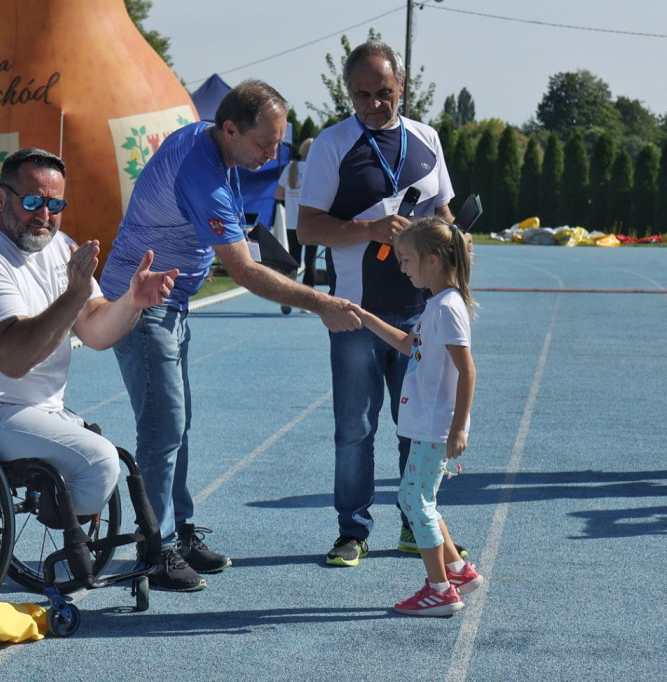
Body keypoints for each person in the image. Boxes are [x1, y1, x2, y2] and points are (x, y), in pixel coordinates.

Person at [99, 79, 361, 592]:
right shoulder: (205, 172)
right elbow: (241, 269)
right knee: (163, 425)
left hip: (166, 301)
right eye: (265, 143)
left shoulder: (212, 145)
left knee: (178, 422)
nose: (272, 154)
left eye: (279, 144)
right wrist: (321, 303)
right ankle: (157, 549)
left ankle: (179, 529)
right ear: (231, 129)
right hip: (140, 302)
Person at [0, 147, 177, 531]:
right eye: (32, 202)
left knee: (111, 458)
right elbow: (14, 358)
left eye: (55, 204)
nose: (45, 216)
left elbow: (94, 328)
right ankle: (66, 541)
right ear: (0, 198)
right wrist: (74, 295)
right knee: (99, 461)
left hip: (32, 409)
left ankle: (102, 542)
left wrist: (132, 301)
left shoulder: (58, 247)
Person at [296, 40, 463, 567]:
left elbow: (447, 214)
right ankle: (353, 531)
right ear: (349, 93)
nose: (374, 104)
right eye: (363, 95)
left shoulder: (427, 139)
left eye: (384, 93)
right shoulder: (331, 144)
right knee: (355, 429)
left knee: (418, 426)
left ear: (402, 87)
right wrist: (369, 228)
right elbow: (306, 228)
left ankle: (418, 524)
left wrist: (453, 247)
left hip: (421, 315)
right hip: (355, 316)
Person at [350, 217, 483, 616]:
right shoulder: (437, 304)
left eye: (406, 260)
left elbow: (467, 368)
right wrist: (367, 317)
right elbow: (411, 345)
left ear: (432, 261)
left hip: (435, 425)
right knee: (419, 498)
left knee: (415, 501)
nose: (402, 267)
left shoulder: (447, 307)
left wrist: (459, 426)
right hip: (428, 422)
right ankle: (457, 570)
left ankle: (439, 590)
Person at [275, 137, 318, 311]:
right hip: (312, 221)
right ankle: (308, 303)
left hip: (292, 220)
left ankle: (288, 297)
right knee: (311, 259)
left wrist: (293, 197)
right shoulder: (316, 170)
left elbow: (278, 194)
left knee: (293, 259)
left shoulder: (290, 168)